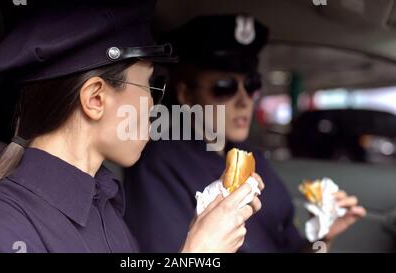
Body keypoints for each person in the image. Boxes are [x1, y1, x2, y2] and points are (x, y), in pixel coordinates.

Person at [0, 2, 263, 253]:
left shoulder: (102, 200)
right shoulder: (0, 228)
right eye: (149, 86)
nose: (154, 106)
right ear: (95, 98)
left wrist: (200, 230)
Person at [124, 14, 366, 253]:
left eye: (251, 84)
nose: (244, 101)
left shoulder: (251, 157)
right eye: (224, 87)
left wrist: (323, 238)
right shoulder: (158, 166)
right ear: (187, 95)